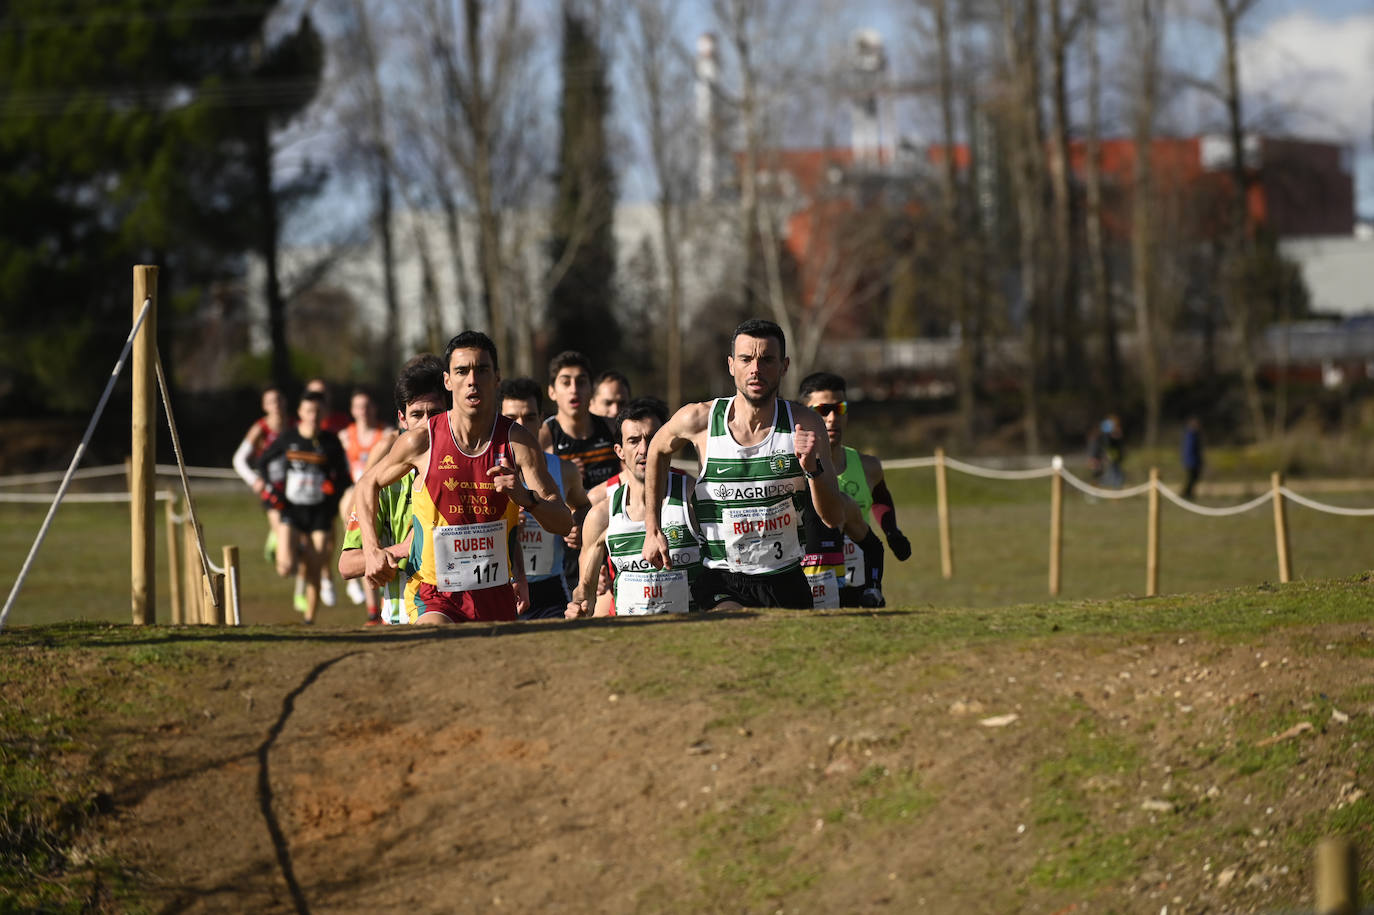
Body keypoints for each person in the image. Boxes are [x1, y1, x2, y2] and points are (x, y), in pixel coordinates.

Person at [356, 331, 572, 624]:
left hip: (495, 595)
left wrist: (526, 498)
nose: (472, 380)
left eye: (481, 370)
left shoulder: (517, 442)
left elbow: (563, 522)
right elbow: (367, 484)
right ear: (448, 380)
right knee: (437, 639)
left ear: (496, 378)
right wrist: (371, 550)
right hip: (435, 596)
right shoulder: (422, 441)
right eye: (462, 371)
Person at [641, 318, 845, 610]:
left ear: (784, 366)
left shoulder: (806, 424)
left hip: (785, 578)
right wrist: (652, 529)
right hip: (723, 578)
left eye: (767, 360)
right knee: (733, 627)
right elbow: (656, 451)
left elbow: (834, 517)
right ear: (731, 365)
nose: (755, 369)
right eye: (746, 359)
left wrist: (813, 469)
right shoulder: (699, 420)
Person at [567, 398, 703, 617]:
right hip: (631, 633)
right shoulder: (602, 516)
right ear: (619, 451)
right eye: (633, 441)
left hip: (690, 631)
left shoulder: (693, 497)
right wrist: (578, 606)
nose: (644, 449)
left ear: (668, 443)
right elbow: (585, 591)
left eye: (653, 438)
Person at [338, 356, 447, 625]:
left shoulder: (469, 469)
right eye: (417, 415)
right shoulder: (384, 484)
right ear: (402, 419)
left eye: (435, 414)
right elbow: (347, 564)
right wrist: (399, 550)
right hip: (400, 620)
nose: (426, 425)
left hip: (463, 613)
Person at [797, 371, 913, 578]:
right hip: (812, 583)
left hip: (860, 582)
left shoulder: (868, 466)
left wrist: (892, 532)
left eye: (839, 408)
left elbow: (880, 497)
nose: (833, 418)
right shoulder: (792, 471)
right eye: (823, 410)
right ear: (804, 414)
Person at [499, 376, 591, 619]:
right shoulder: (484, 470)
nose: (520, 426)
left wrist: (577, 524)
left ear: (541, 419)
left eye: (529, 417)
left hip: (549, 589)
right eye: (511, 419)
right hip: (499, 586)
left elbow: (583, 506)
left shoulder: (564, 470)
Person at [256, 391, 351, 624]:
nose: (313, 416)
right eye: (309, 411)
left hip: (319, 513)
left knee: (315, 570)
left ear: (325, 413)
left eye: (318, 411)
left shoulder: (331, 442)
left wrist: (332, 494)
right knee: (284, 568)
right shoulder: (289, 437)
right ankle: (297, 548)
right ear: (300, 412)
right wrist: (272, 491)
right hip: (292, 510)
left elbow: (344, 478)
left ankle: (309, 619)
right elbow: (263, 462)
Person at [338, 388, 398, 611]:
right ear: (352, 410)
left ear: (374, 408)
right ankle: (354, 562)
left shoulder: (386, 434)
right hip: (357, 490)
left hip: (379, 489)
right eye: (358, 406)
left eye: (367, 406)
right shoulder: (345, 436)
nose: (363, 411)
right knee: (350, 513)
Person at [538, 351, 620, 490]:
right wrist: (560, 475)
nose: (574, 389)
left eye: (581, 382)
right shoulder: (543, 438)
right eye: (566, 383)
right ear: (552, 392)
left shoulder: (612, 428)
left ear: (591, 389)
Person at [231, 386, 289, 563]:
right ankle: (278, 541)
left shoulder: (294, 425)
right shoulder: (260, 429)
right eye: (271, 402)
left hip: (294, 488)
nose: (276, 405)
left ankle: (276, 537)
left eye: (278, 400)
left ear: (285, 402)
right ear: (265, 406)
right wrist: (254, 480)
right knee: (287, 540)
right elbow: (238, 459)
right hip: (271, 489)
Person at [1181, 415, 1204, 501]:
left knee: (1193, 478)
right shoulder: (1191, 435)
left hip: (1192, 461)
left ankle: (1188, 493)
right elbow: (1190, 450)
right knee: (1191, 478)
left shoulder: (1193, 435)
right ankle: (1186, 494)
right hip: (1192, 462)